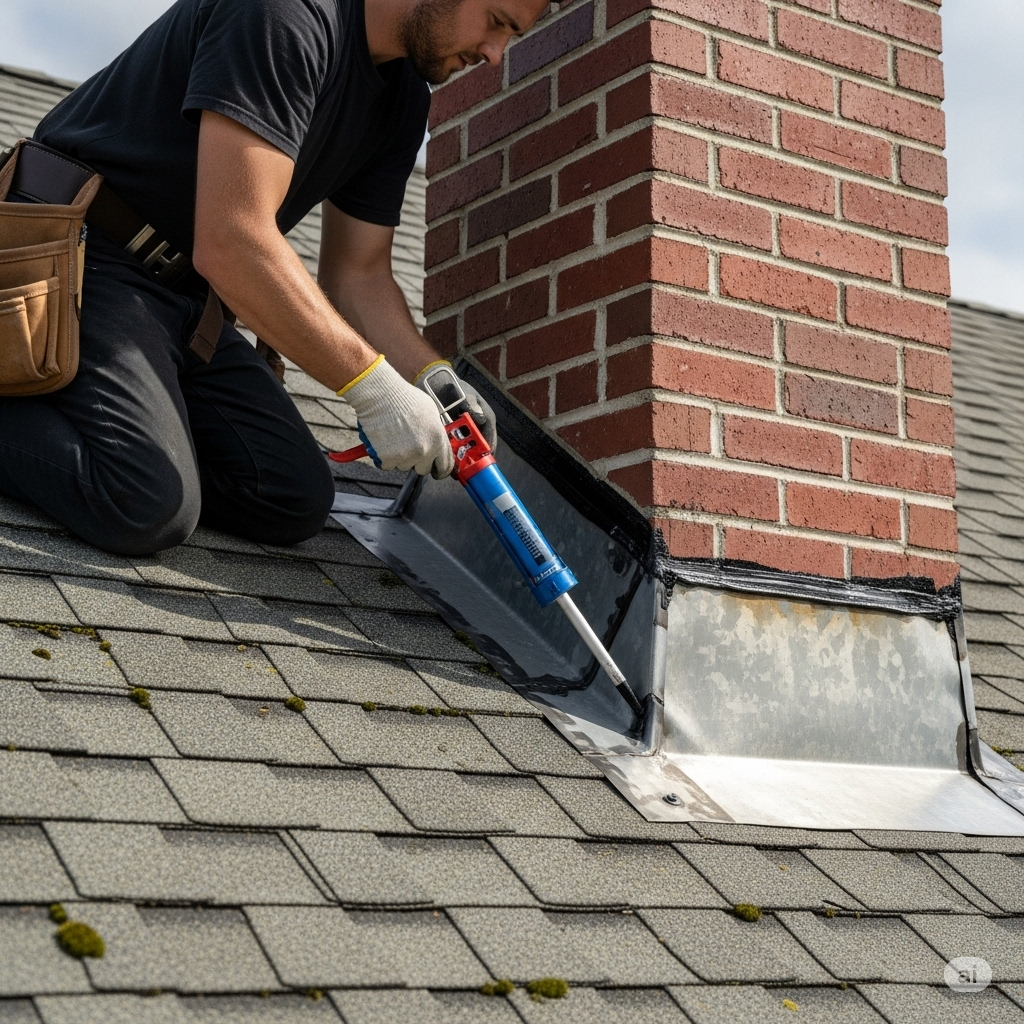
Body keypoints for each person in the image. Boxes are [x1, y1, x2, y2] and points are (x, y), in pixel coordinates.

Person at [1, 0, 548, 554]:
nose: (494, 54)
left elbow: (357, 273)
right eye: (497, 22)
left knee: (290, 495)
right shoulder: (282, 14)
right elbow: (233, 239)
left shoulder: (402, 101)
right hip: (76, 253)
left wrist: (428, 375)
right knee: (143, 498)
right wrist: (374, 389)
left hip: (182, 298)